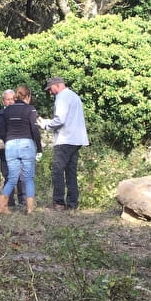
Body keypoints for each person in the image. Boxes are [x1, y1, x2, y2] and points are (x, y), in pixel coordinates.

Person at [39, 76, 89, 211]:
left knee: (57, 170)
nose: (50, 92)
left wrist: (45, 124)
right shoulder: (75, 96)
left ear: (57, 85)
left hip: (65, 139)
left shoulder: (61, 97)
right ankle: (72, 203)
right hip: (77, 139)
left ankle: (59, 202)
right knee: (71, 172)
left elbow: (60, 120)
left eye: (50, 89)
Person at [0, 85, 41, 214]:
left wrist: (6, 142)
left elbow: (3, 131)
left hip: (10, 145)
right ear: (27, 97)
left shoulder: (7, 111)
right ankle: (30, 208)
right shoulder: (30, 109)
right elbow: (34, 130)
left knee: (11, 178)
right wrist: (39, 148)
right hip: (26, 144)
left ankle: (1, 207)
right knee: (28, 178)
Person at [0, 89, 24, 207]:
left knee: (21, 176)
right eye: (8, 99)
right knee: (7, 175)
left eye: (12, 99)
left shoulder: (21, 112)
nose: (10, 102)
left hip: (19, 148)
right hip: (5, 150)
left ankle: (23, 202)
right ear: (3, 101)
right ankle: (9, 202)